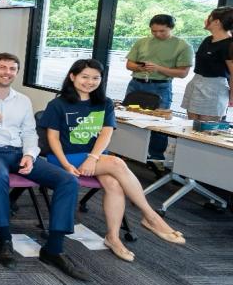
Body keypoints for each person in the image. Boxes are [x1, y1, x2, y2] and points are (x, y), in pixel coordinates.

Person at [41, 59, 185, 263]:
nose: (89, 82)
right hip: (64, 158)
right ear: (72, 77)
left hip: (95, 159)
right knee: (117, 164)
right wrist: (66, 164)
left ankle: (113, 237)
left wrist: (93, 158)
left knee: (114, 183)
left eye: (95, 78)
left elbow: (106, 134)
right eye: (84, 77)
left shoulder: (105, 103)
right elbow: (52, 139)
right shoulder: (58, 104)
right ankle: (150, 216)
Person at [0, 53, 86, 280]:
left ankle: (54, 248)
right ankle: (5, 238)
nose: (7, 72)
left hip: (18, 153)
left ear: (17, 73)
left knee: (68, 180)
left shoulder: (23, 100)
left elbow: (30, 133)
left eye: (12, 69)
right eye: (2, 67)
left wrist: (30, 155)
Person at [125, 14, 193, 162]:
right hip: (136, 84)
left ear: (171, 28)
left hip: (161, 87)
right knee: (128, 117)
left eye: (162, 31)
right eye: (154, 31)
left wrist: (158, 68)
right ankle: (127, 152)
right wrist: (140, 67)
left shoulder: (183, 46)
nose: (157, 34)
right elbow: (129, 65)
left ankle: (156, 159)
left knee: (159, 124)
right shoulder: (142, 42)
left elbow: (182, 73)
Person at [183, 6, 233, 121]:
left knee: (205, 130)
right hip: (196, 82)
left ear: (216, 22)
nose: (206, 20)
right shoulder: (207, 39)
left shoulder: (229, 44)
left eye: (209, 17)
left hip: (214, 87)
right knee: (191, 126)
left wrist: (231, 97)